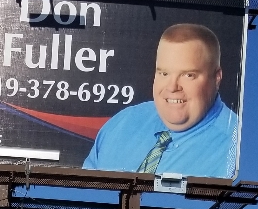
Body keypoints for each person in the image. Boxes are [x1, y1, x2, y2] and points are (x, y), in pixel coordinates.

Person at [82, 23, 239, 178]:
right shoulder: (121, 124)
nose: (172, 87)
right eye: (164, 73)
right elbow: (84, 195)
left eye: (188, 75)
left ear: (217, 78)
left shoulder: (237, 150)